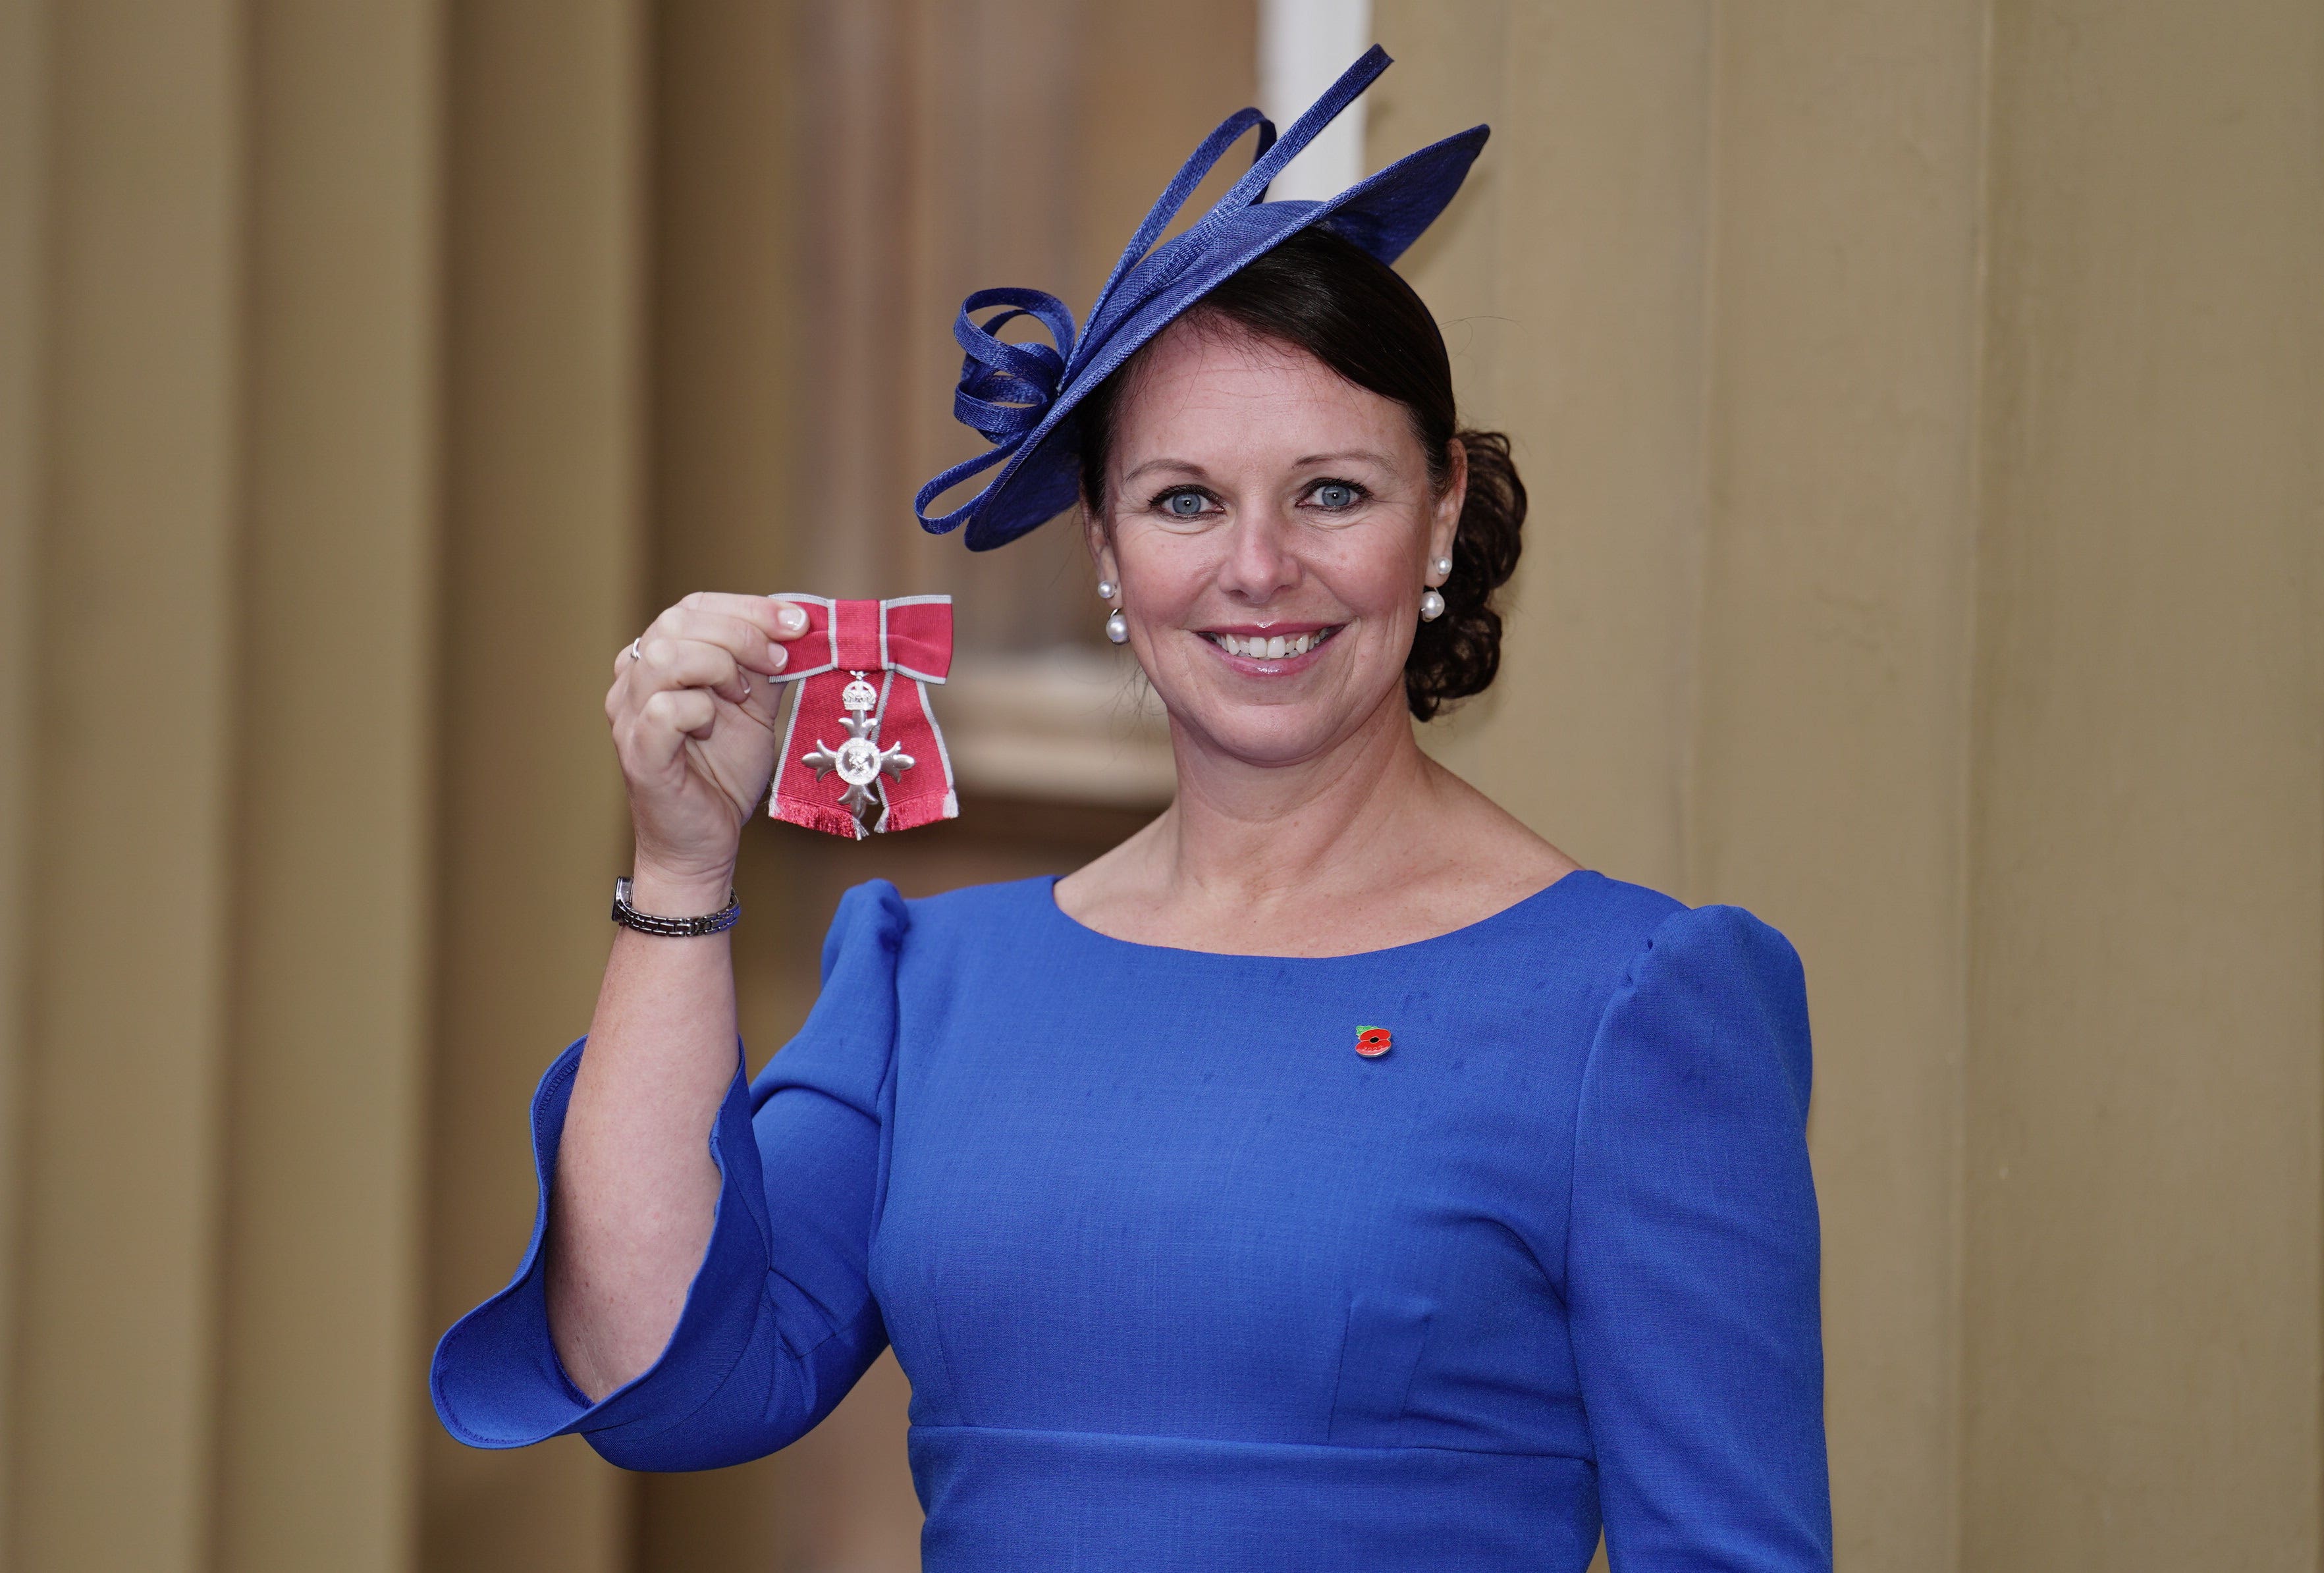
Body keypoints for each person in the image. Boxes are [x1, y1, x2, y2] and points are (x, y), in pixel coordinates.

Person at [431, 45, 1832, 1572]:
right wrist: (681, 861)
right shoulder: (932, 980)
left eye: (1332, 493)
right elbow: (656, 1379)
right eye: (1183, 500)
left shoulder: (1639, 1003)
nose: (1255, 567)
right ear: (1102, 545)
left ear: (1440, 511)